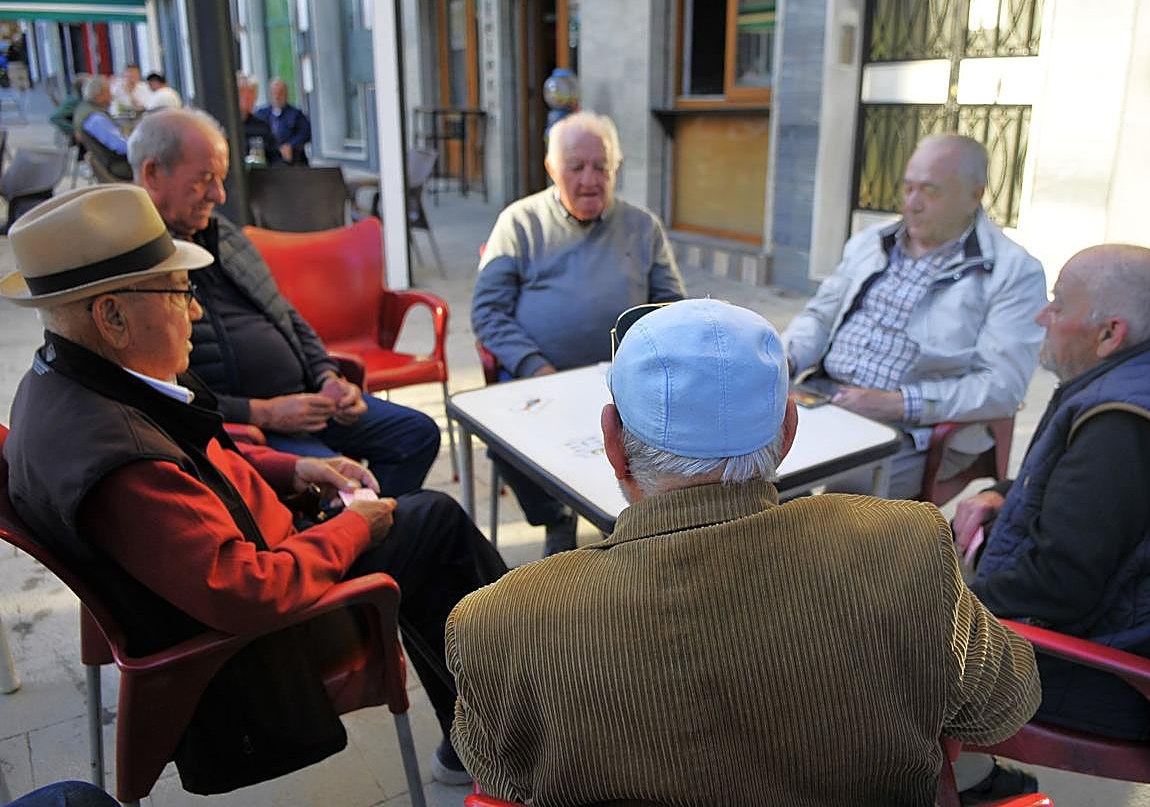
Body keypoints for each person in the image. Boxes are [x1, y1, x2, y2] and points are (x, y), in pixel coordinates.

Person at [1, 184, 506, 788]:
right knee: (435, 527)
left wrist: (293, 469)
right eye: (179, 292)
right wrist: (352, 527)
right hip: (255, 654)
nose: (194, 312)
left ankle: (478, 735)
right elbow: (248, 590)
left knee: (420, 517)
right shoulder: (119, 461)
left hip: (255, 561)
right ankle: (509, 737)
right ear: (111, 316)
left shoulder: (68, 383)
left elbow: (199, 456)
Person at [447, 298, 1040, 806]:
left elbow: (499, 777)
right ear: (787, 433)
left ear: (613, 444)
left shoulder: (501, 622)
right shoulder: (904, 545)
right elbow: (1005, 703)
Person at [950, 244, 1150, 781]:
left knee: (876, 642)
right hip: (1144, 643)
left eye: (1059, 306)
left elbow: (1057, 584)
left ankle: (968, 783)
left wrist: (937, 607)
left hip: (1119, 681)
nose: (1043, 315)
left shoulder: (1126, 424)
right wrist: (1004, 493)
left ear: (1111, 333)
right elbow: (1105, 501)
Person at [127, 109, 441, 499]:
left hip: (308, 402)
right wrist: (263, 412)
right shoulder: (135, 268)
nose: (219, 196)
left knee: (416, 435)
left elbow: (285, 315)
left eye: (221, 180)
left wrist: (328, 378)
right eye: (204, 180)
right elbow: (162, 396)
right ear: (153, 174)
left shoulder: (222, 232)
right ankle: (358, 535)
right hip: (248, 428)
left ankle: (372, 537)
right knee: (343, 488)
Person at [782, 134, 1046, 499]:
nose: (912, 204)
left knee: (840, 520)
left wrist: (896, 403)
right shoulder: (872, 242)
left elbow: (1001, 386)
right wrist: (788, 357)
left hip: (907, 427)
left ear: (975, 195)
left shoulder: (1013, 272)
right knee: (748, 471)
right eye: (907, 188)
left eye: (930, 191)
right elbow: (821, 314)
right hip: (825, 397)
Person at [471, 110, 686, 554]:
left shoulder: (642, 227)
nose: (590, 179)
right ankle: (555, 516)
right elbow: (488, 311)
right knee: (502, 440)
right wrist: (536, 365)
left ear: (616, 169)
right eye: (577, 167)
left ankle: (634, 527)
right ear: (552, 169)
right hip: (540, 374)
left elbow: (672, 309)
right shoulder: (520, 223)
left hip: (624, 378)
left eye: (601, 166)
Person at [72, 76, 132, 181]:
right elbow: (121, 147)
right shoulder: (96, 119)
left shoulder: (83, 109)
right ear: (99, 95)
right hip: (119, 165)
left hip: (108, 162)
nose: (111, 96)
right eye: (108, 92)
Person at [255, 78, 311, 165]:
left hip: (294, 161)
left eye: (280, 93)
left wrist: (290, 145)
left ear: (286, 94)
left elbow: (305, 133)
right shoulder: (261, 114)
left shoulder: (296, 114)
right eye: (274, 93)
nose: (277, 96)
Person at [237, 73, 281, 167]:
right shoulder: (222, 127)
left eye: (252, 96)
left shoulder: (262, 126)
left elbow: (276, 158)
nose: (249, 100)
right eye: (245, 96)